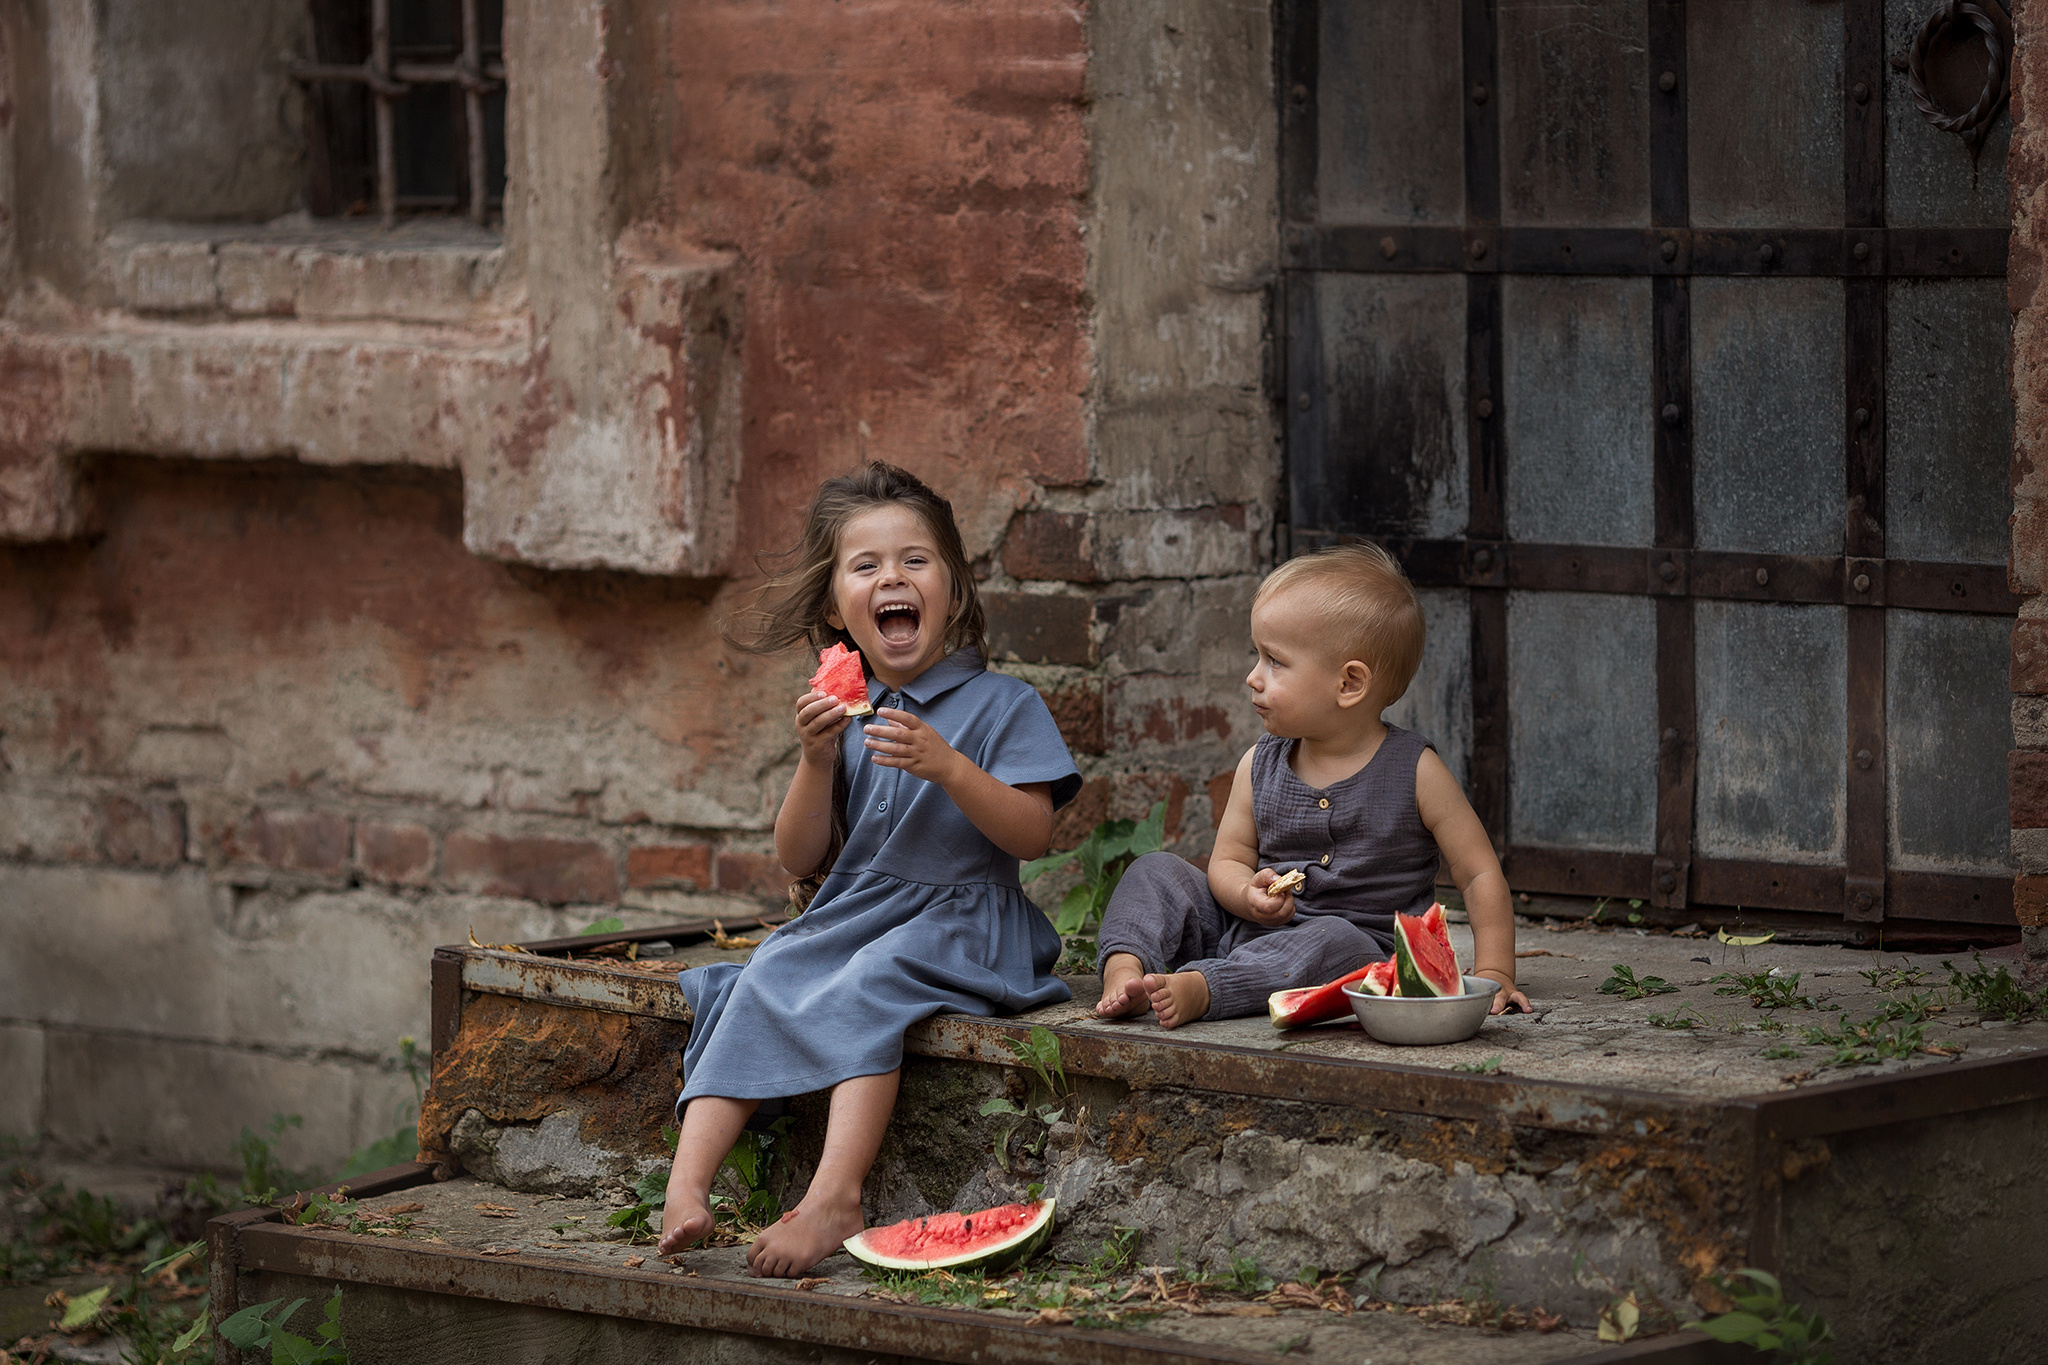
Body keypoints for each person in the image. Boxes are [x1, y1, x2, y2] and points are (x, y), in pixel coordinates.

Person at [657, 462, 1081, 1277]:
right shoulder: (846, 714)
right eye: (866, 565)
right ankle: (687, 1183)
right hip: (856, 911)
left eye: (915, 560)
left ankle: (835, 1195)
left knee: (872, 978)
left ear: (953, 590)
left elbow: (1033, 833)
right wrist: (815, 760)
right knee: (762, 973)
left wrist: (950, 767)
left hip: (966, 919)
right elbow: (799, 855)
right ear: (834, 608)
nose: (893, 576)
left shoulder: (1005, 703)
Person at [1094, 542, 1531, 1027]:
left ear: (1349, 684)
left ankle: (1205, 987)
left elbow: (1478, 874)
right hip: (1244, 928)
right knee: (1155, 870)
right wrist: (1245, 895)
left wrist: (1495, 971)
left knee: (1335, 939)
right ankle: (1126, 970)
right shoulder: (1259, 764)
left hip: (1356, 951)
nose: (1252, 677)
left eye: (1274, 661)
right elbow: (1228, 861)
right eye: (1257, 655)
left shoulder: (1417, 771)